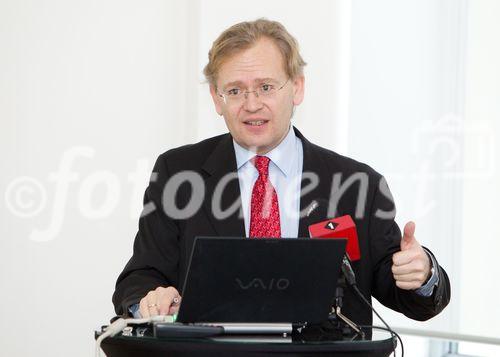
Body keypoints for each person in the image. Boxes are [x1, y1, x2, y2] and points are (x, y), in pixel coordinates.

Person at [112, 18, 450, 325]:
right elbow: (140, 278)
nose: (252, 103)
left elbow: (402, 290)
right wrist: (150, 301)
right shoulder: (177, 174)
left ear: (297, 88)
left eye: (266, 87)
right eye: (235, 91)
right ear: (217, 99)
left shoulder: (357, 183)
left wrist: (421, 274)